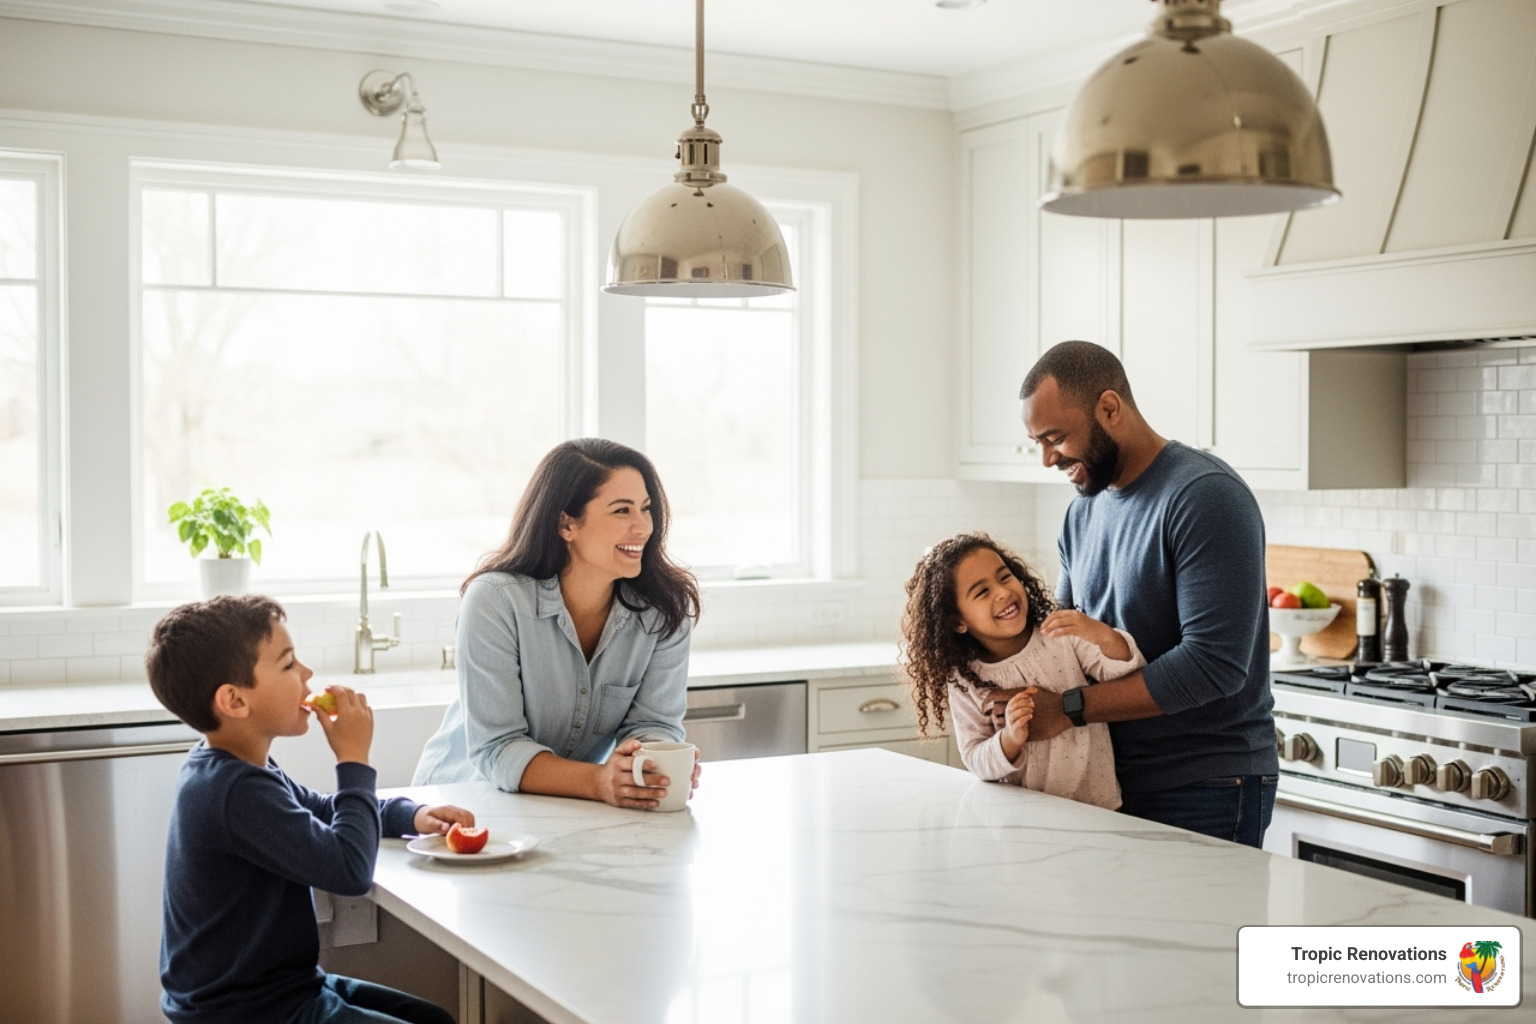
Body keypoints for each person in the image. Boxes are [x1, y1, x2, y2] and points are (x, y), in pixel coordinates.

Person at [145, 594, 472, 1024]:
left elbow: (318, 808)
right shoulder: (233, 790)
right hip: (247, 1012)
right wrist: (353, 758)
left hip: (283, 988)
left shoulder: (237, 766)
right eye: (287, 664)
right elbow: (349, 870)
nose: (307, 673)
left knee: (435, 1019)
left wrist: (407, 815)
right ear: (235, 701)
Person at [1013, 339, 1278, 847]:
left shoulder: (1204, 496)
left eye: (1056, 437)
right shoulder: (1081, 512)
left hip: (1205, 784)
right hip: (1111, 782)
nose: (1047, 458)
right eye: (1037, 443)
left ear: (1109, 408)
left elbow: (1213, 666)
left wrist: (1068, 708)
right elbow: (1066, 643)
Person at [413, 438, 702, 810]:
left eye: (646, 509)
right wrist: (600, 781)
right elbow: (498, 747)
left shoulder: (664, 610)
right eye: (621, 511)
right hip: (462, 801)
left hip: (564, 807)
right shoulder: (495, 600)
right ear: (567, 523)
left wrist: (652, 766)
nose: (643, 527)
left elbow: (654, 723)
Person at [900, 532, 1144, 810]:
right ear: (958, 622)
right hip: (1024, 819)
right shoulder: (964, 681)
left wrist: (1100, 634)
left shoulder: (1059, 634)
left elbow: (1125, 673)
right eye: (982, 592)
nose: (1003, 592)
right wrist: (1009, 739)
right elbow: (975, 758)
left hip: (1097, 805)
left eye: (1004, 577)